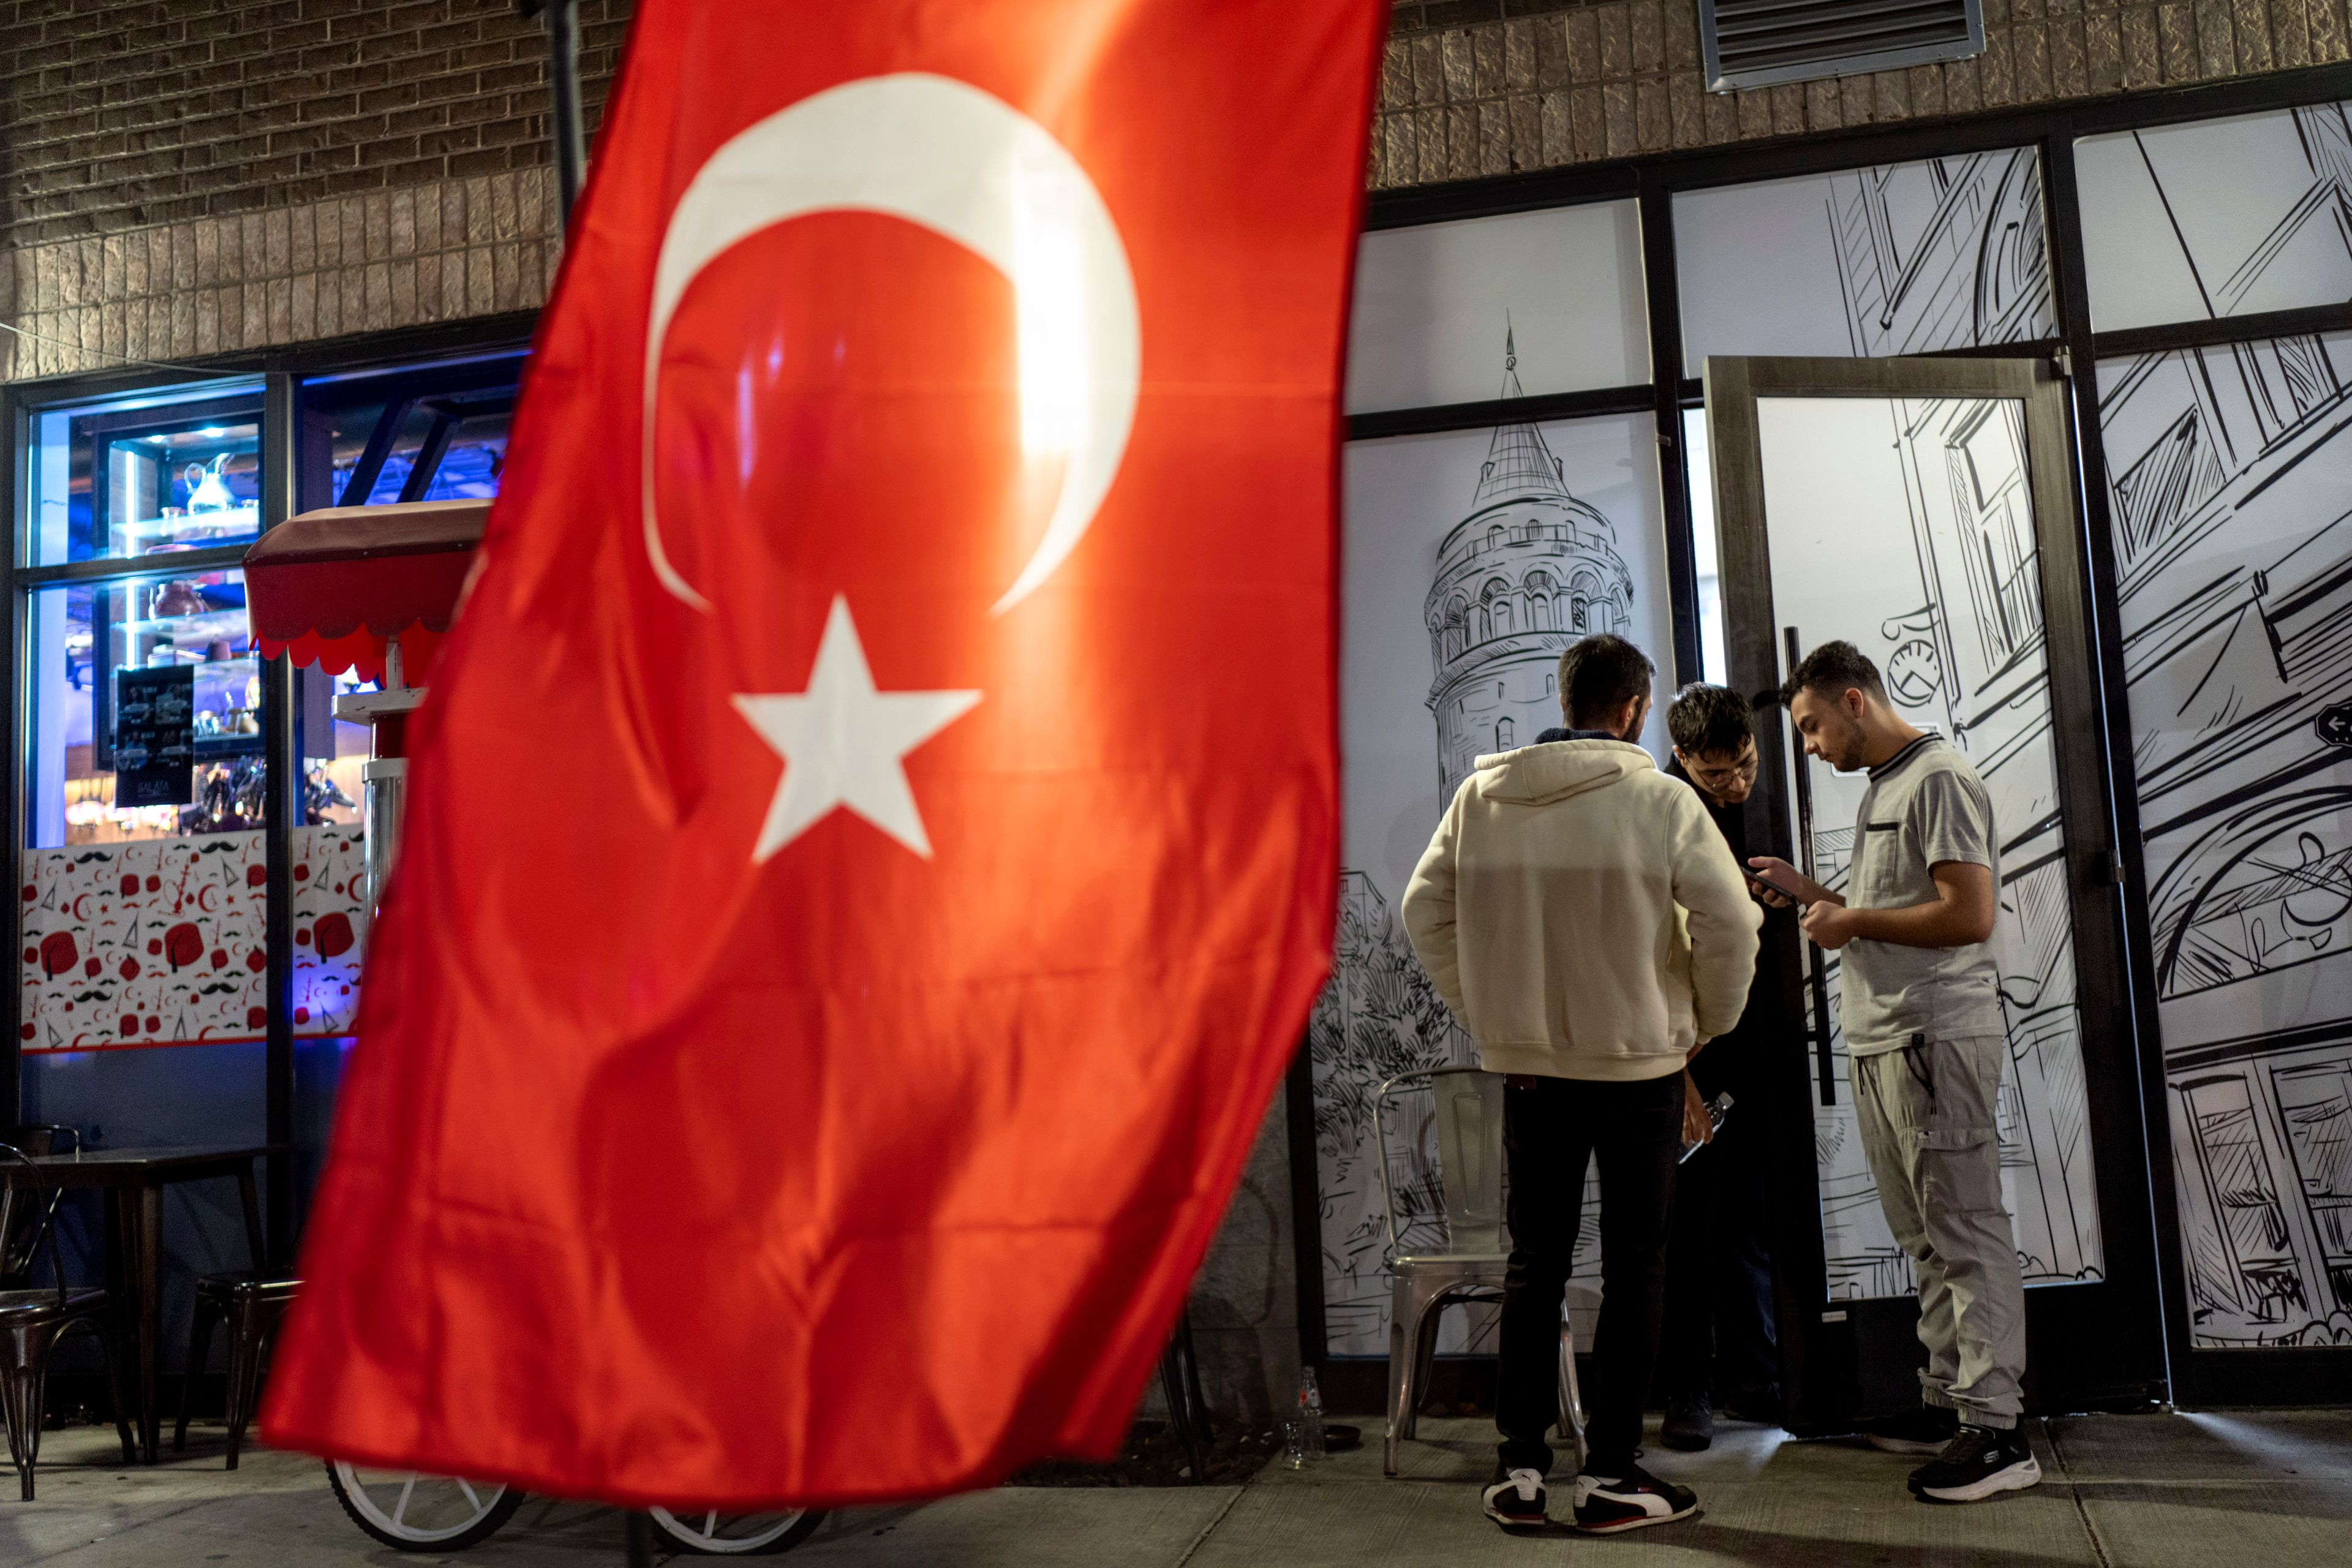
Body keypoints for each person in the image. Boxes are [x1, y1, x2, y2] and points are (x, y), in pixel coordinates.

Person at [1403, 635, 1760, 1535]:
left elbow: (1422, 911)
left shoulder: (1482, 798)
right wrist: (1705, 1022)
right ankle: (1608, 1475)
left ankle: (1519, 1469)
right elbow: (1733, 923)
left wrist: (1490, 1012)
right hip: (1638, 1065)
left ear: (1565, 701)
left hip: (1529, 1068)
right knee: (1638, 1265)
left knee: (1537, 1263)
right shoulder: (1661, 802)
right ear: (1636, 709)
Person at [1746, 641, 2039, 1506]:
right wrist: (1814, 895)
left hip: (1931, 1039)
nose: (1808, 746)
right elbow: (1890, 906)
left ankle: (1996, 1432)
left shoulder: (1938, 777)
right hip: (1891, 1041)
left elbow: (1968, 914)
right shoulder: (1892, 786)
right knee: (1926, 1235)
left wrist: (1848, 919)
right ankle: (1954, 1404)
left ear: (1853, 701)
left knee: (1963, 1229)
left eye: (1809, 727)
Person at [1654, 684, 1782, 1452]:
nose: (1736, 784)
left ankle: (1757, 1373)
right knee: (1687, 1234)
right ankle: (1689, 1388)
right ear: (1681, 762)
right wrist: (1680, 1074)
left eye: (1744, 765)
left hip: (1763, 1047)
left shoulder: (1772, 808)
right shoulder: (1664, 816)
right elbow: (1652, 954)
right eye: (1717, 775)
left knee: (1754, 1224)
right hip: (1692, 1052)